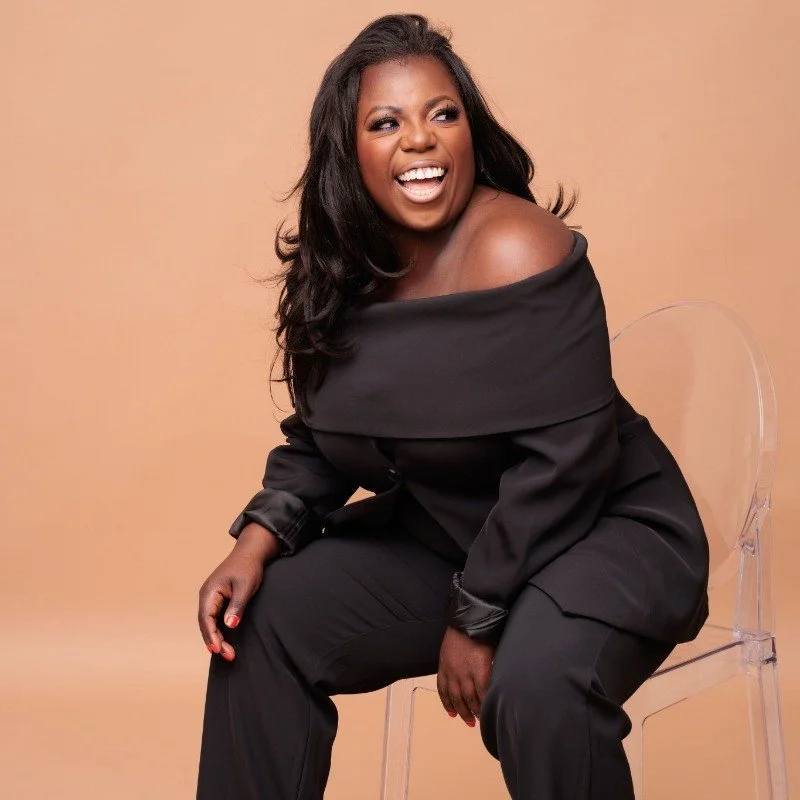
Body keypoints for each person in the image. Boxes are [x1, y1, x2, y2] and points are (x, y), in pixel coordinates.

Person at [195, 13, 710, 800]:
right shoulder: (348, 272)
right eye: (386, 122)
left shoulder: (517, 248)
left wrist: (476, 616)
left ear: (470, 129)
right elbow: (326, 435)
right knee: (264, 622)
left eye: (443, 114)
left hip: (603, 534)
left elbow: (569, 462)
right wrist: (255, 543)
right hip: (455, 538)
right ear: (350, 149)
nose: (420, 140)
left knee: (536, 688)